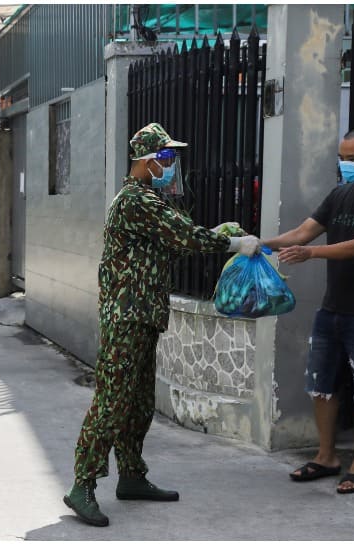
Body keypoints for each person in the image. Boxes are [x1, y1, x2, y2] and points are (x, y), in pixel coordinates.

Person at [65, 123, 262, 527]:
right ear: (147, 161)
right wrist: (231, 243)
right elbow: (184, 236)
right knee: (111, 403)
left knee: (137, 404)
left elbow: (178, 238)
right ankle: (81, 485)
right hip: (126, 316)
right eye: (167, 158)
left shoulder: (151, 200)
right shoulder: (134, 200)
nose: (172, 165)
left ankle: (132, 476)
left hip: (144, 314)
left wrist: (216, 233)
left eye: (173, 158)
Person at [262, 128, 354, 494]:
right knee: (320, 386)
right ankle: (326, 456)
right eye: (342, 157)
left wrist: (311, 254)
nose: (346, 164)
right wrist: (256, 243)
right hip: (332, 308)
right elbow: (301, 233)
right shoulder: (340, 193)